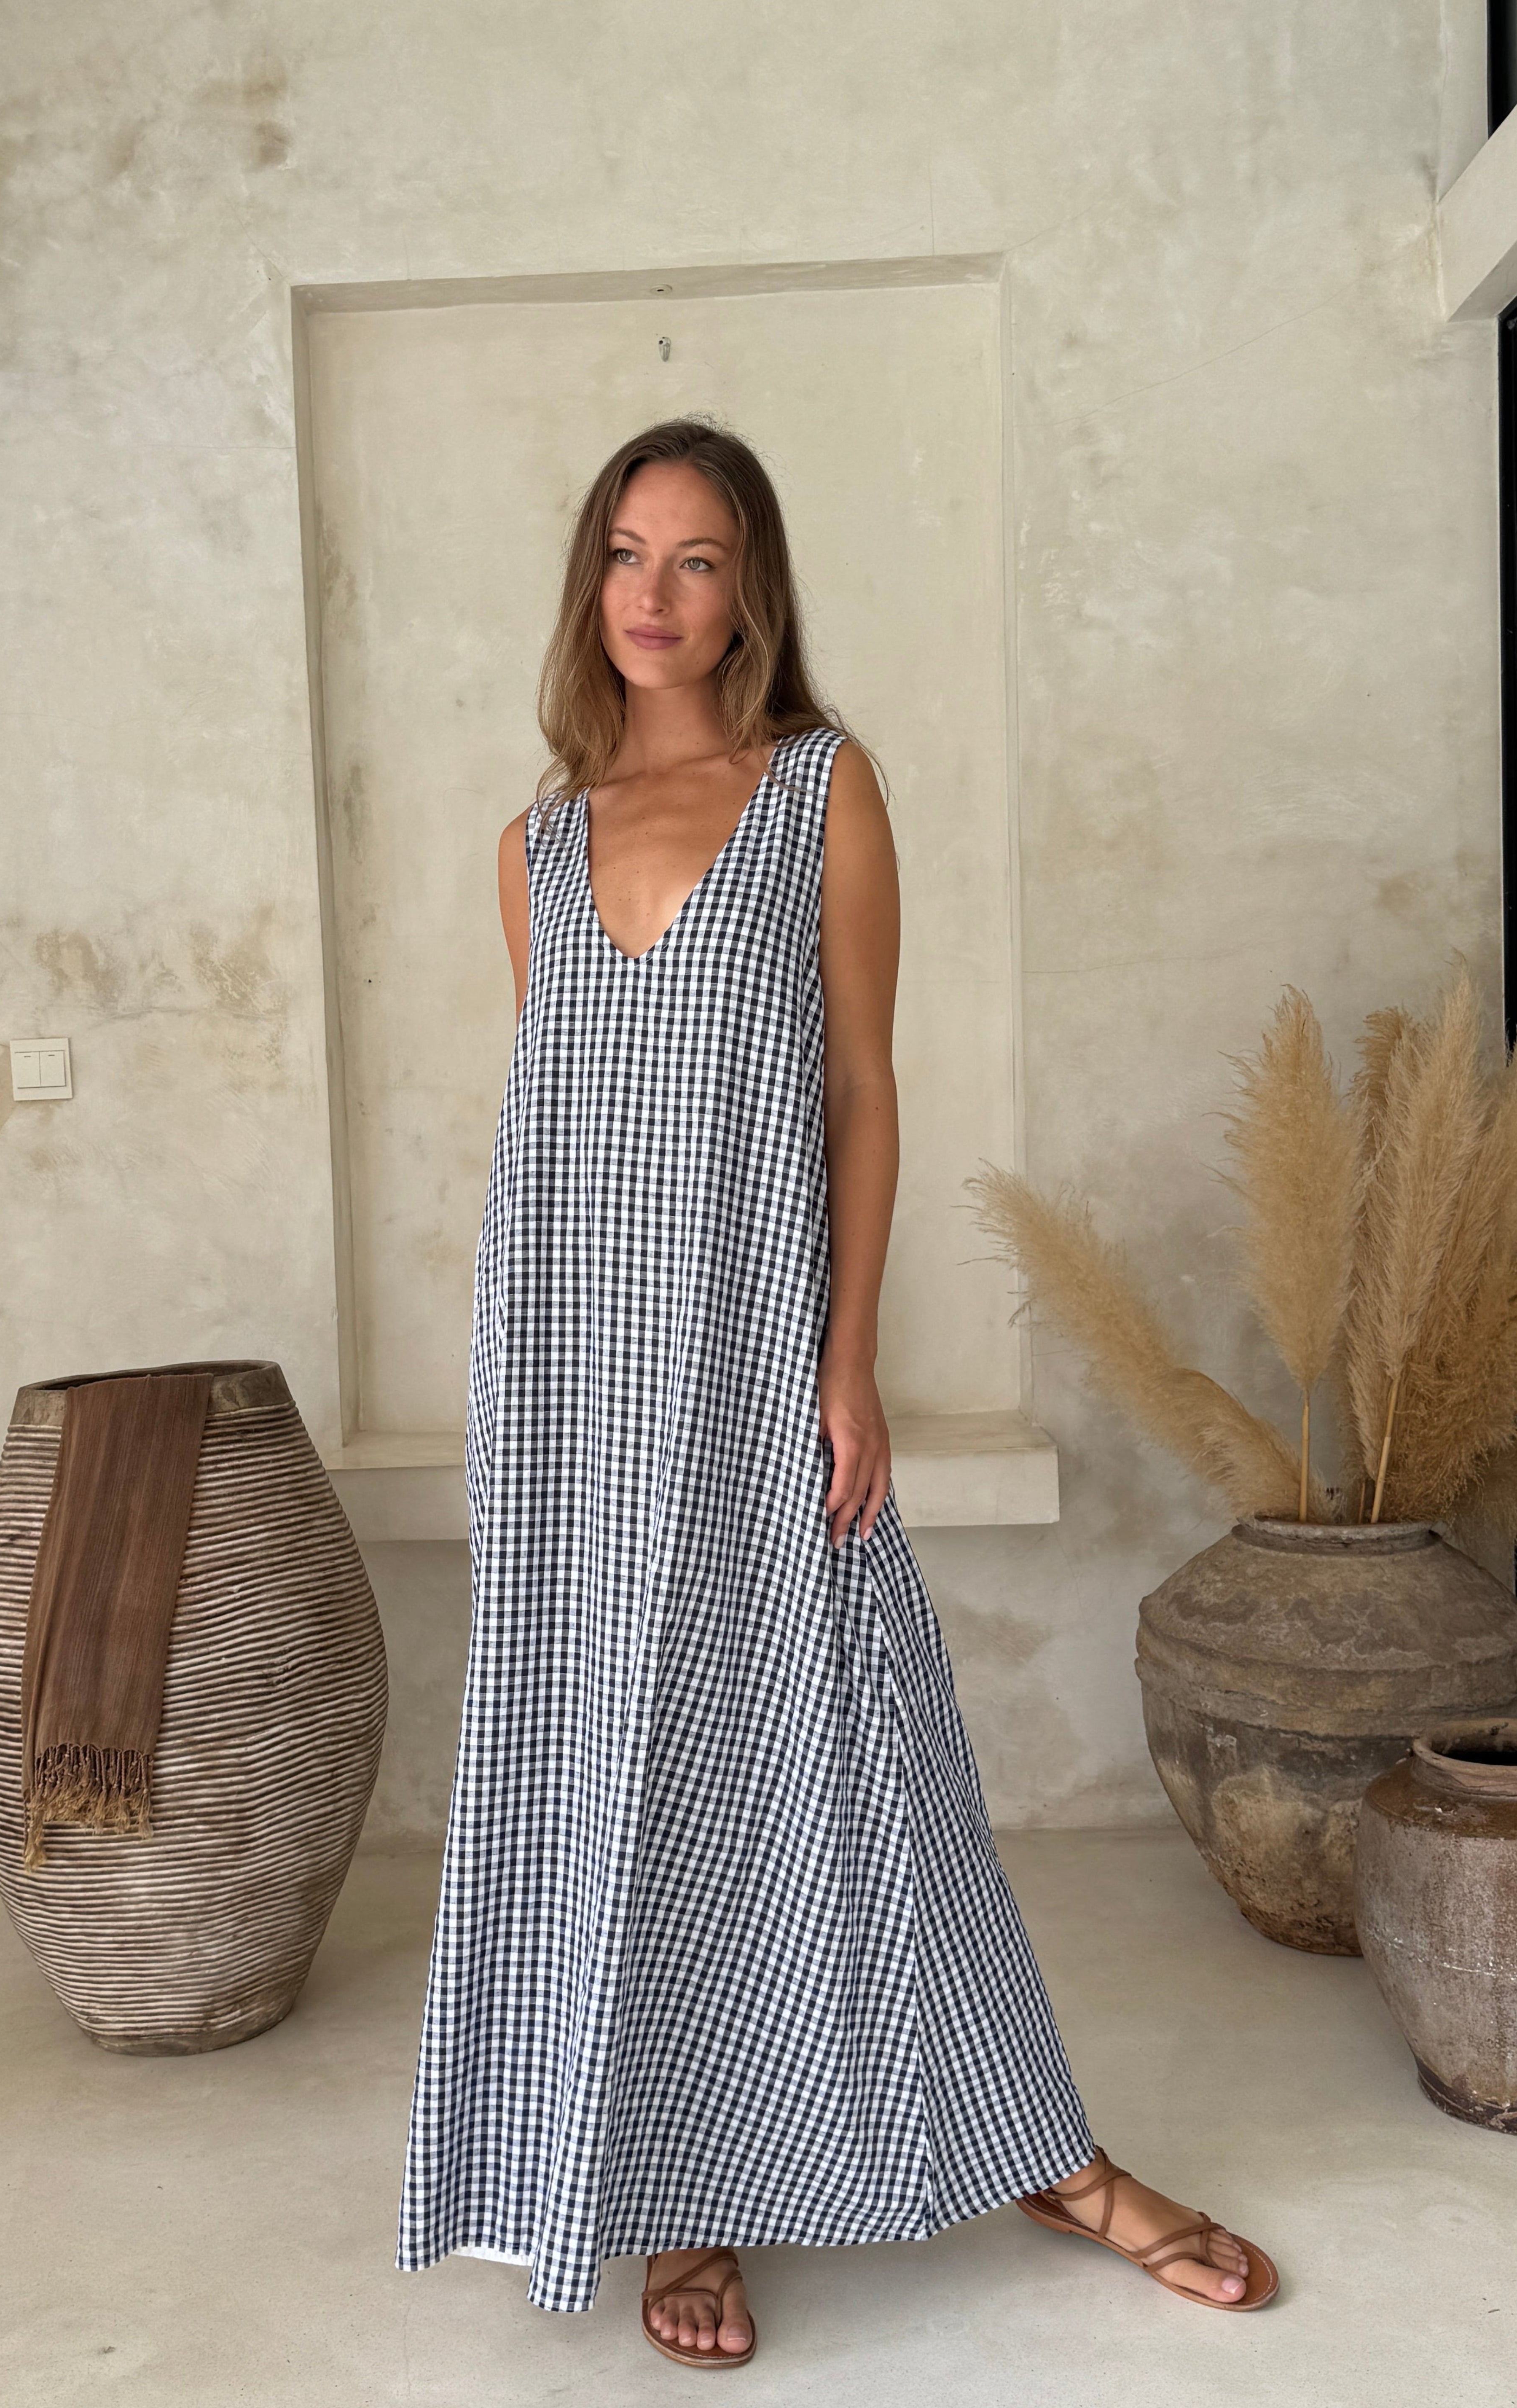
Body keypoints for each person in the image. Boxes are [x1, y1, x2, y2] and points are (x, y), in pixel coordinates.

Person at [397, 417, 1278, 2364]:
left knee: (859, 1746)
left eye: (697, 559)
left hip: (758, 1347)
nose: (654, 594)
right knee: (616, 1755)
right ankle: (679, 2198)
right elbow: (569, 1143)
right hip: (570, 1376)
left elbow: (864, 1089)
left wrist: (849, 1357)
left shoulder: (819, 792)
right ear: (591, 582)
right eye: (626, 554)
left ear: (752, 592)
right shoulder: (535, 851)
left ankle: (1051, 2158)